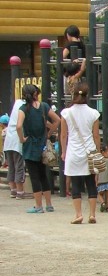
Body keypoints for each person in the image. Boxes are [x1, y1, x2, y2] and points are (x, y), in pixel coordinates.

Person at [60, 81, 102, 224]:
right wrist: (98, 152)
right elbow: (96, 136)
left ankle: (78, 214)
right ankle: (92, 214)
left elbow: (64, 135)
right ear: (87, 95)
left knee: (76, 184)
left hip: (73, 151)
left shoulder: (66, 113)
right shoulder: (94, 113)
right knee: (91, 183)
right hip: (89, 150)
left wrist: (63, 152)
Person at [16, 83, 60, 213]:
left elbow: (18, 126)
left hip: (30, 145)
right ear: (36, 93)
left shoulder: (23, 109)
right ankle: (49, 204)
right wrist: (49, 133)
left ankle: (38, 206)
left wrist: (21, 138)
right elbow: (57, 120)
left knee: (34, 176)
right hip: (43, 144)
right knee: (43, 175)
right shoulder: (44, 107)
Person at [3, 105, 27, 199]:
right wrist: (22, 139)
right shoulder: (23, 108)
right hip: (17, 142)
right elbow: (19, 126)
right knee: (19, 166)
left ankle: (13, 190)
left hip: (8, 142)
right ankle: (20, 191)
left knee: (11, 166)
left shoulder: (15, 109)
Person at [62, 25, 88, 103]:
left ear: (68, 35)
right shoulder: (83, 45)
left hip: (72, 73)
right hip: (82, 73)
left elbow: (61, 57)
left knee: (69, 95)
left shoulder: (69, 45)